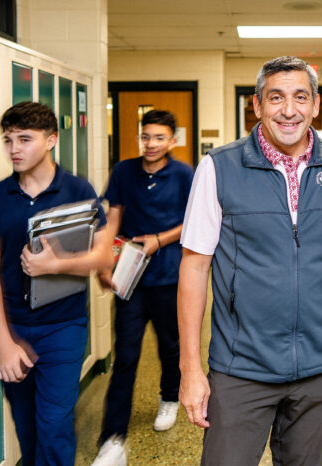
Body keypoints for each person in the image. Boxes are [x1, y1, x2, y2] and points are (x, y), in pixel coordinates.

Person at [177, 56, 322, 465]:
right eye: (276, 98)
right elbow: (194, 267)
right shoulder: (219, 167)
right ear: (257, 105)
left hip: (321, 368)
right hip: (241, 368)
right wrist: (190, 369)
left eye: (300, 97)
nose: (289, 110)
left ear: (315, 105)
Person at [0, 101, 112, 465]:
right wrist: (4, 344)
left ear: (51, 140)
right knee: (27, 427)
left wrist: (56, 264)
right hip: (14, 328)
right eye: (8, 140)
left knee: (54, 425)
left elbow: (104, 257)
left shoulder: (78, 190)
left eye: (24, 139)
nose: (14, 149)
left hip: (63, 327)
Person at [92, 110, 194, 465]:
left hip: (169, 276)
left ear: (172, 140)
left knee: (170, 346)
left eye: (159, 137)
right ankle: (112, 438)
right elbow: (114, 217)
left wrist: (159, 240)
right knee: (126, 356)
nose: (151, 144)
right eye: (145, 136)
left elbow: (193, 221)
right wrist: (103, 260)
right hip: (130, 277)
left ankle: (170, 397)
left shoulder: (184, 174)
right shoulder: (123, 171)